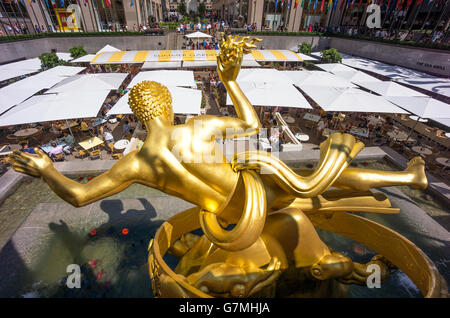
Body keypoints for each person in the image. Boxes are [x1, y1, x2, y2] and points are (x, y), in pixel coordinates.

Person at [10, 37, 428, 294]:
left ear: (137, 115)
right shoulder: (198, 127)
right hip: (254, 195)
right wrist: (230, 80)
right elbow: (251, 124)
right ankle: (408, 176)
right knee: (316, 183)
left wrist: (47, 169)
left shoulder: (134, 162)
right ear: (168, 104)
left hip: (228, 216)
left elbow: (80, 197)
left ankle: (405, 176)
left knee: (313, 189)